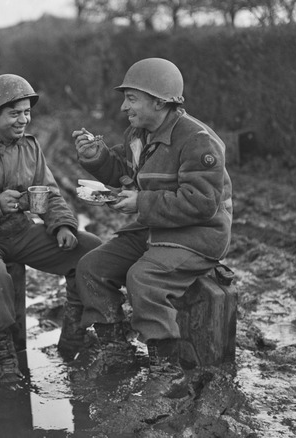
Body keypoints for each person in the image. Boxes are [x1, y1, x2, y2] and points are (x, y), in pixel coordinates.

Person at [70, 58, 233, 382]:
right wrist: (97, 158)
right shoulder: (140, 133)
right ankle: (117, 351)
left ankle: (166, 367)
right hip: (153, 227)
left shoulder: (198, 140)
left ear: (159, 101)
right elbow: (126, 171)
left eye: (131, 99)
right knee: (90, 268)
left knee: (143, 278)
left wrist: (141, 202)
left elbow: (201, 203)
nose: (123, 107)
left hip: (198, 234)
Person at [0, 74, 102, 383]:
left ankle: (75, 330)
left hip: (18, 230)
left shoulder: (30, 147)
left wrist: (62, 224)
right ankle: (2, 352)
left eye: (26, 112)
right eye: (14, 113)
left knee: (89, 251)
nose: (23, 119)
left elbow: (49, 191)